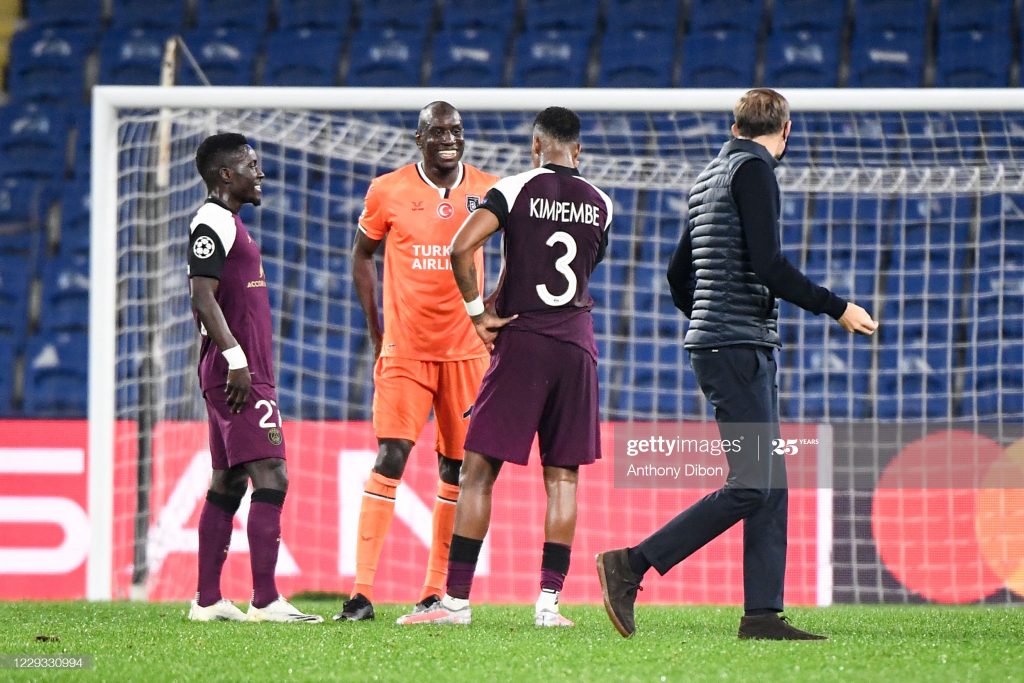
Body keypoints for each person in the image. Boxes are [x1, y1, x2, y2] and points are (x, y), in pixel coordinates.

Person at [596, 88, 878, 640]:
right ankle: (630, 564)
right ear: (786, 130)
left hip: (721, 340)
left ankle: (763, 615)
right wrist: (837, 307)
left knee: (771, 484)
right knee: (753, 483)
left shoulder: (708, 179)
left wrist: (707, 315)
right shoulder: (756, 172)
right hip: (737, 345)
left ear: (734, 126)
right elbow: (769, 265)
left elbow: (680, 273)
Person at [397, 106, 613, 628]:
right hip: (577, 346)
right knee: (562, 479)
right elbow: (583, 267)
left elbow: (461, 247)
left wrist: (478, 313)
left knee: (477, 471)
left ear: (536, 146)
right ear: (577, 151)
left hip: (522, 340)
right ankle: (548, 606)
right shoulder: (603, 204)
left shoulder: (514, 189)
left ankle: (455, 604)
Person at [336, 102, 499, 622]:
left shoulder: (489, 189)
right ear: (419, 137)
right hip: (405, 351)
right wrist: (375, 330)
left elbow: (520, 244)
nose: (450, 138)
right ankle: (362, 593)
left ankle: (434, 590)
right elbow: (362, 253)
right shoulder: (387, 190)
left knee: (457, 468)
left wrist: (493, 301)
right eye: (439, 131)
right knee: (391, 456)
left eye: (457, 131)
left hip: (467, 354)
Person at [186, 132, 322, 623]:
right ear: (226, 174)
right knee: (273, 474)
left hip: (237, 367)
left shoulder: (230, 224)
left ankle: (207, 600)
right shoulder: (212, 221)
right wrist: (238, 359)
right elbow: (202, 295)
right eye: (251, 164)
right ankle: (264, 599)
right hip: (236, 370)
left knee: (227, 481)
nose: (260, 172)